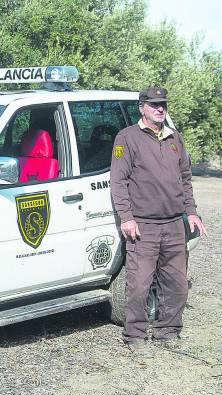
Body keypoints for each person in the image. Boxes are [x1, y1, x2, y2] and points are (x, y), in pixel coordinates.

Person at [110, 87, 207, 353]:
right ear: (142, 107)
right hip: (144, 225)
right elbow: (118, 181)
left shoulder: (175, 137)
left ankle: (168, 331)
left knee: (175, 283)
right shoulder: (127, 138)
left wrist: (191, 212)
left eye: (162, 104)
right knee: (139, 284)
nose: (160, 108)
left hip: (175, 224)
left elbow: (185, 179)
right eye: (153, 104)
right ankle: (135, 336)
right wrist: (126, 218)